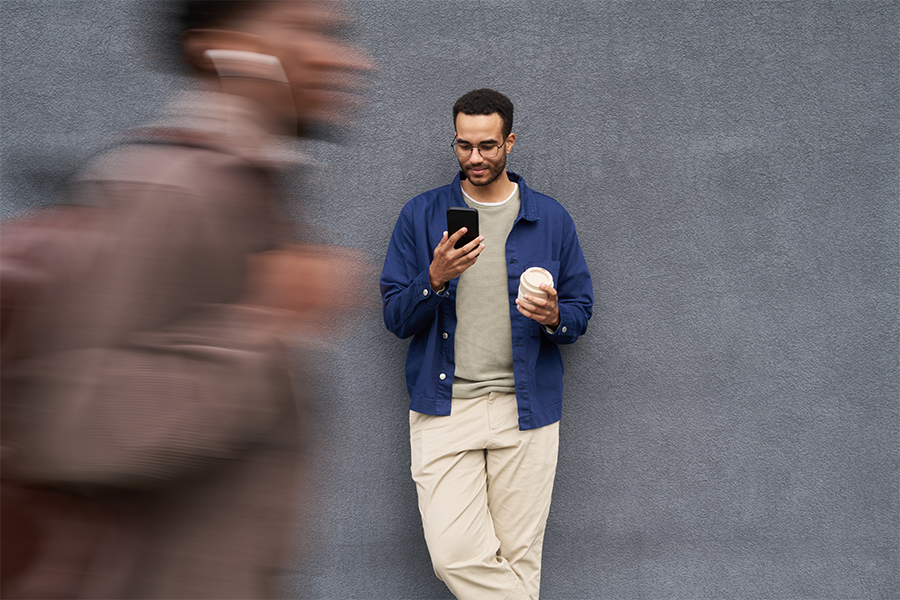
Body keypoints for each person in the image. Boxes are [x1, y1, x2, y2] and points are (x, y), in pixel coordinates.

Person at [1, 1, 373, 598]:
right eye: (308, 32)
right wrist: (266, 322)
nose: (348, 60)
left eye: (337, 35)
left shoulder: (247, 185)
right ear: (218, 50)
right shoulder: (169, 187)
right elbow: (74, 428)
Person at [380, 88, 593, 599]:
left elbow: (580, 311)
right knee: (454, 555)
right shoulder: (421, 215)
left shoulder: (550, 218)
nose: (474, 157)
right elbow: (395, 317)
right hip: (445, 407)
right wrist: (434, 278)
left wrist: (554, 317)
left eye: (487, 146)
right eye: (464, 145)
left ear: (509, 142)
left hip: (527, 410)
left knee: (519, 559)